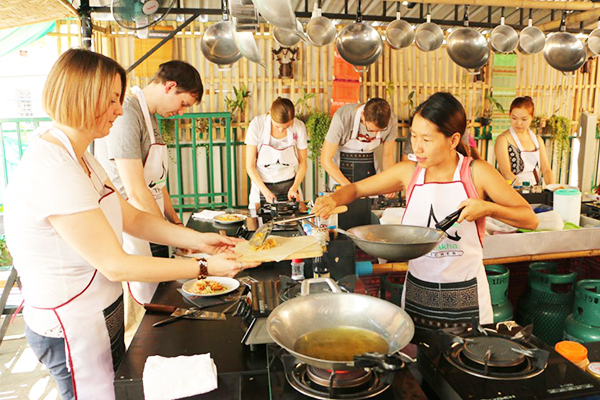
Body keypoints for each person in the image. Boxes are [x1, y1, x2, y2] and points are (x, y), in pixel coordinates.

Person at [4, 48, 259, 400]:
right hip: (70, 324)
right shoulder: (53, 169)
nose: (119, 110)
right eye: (111, 99)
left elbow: (133, 217)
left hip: (98, 314)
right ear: (81, 95)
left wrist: (200, 240)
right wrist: (203, 267)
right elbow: (115, 264)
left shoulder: (85, 160)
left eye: (120, 99)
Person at [314, 92, 538, 329]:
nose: (416, 147)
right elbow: (356, 189)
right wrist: (333, 197)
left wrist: (487, 208)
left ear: (452, 140)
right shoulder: (409, 173)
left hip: (466, 298)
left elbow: (530, 219)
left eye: (427, 140)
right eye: (413, 136)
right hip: (418, 294)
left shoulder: (476, 172)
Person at [94, 60, 202, 338]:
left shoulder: (151, 117)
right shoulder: (129, 113)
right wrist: (173, 237)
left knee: (155, 295)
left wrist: (176, 222)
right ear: (170, 86)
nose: (180, 112)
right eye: (183, 103)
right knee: (139, 309)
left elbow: (157, 181)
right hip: (128, 222)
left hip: (147, 220)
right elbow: (136, 188)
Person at [320, 98, 397, 195]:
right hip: (341, 170)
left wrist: (389, 183)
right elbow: (325, 160)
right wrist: (349, 187)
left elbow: (388, 156)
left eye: (380, 130)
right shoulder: (342, 117)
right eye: (371, 130)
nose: (375, 134)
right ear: (363, 115)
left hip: (369, 167)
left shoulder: (391, 120)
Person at [245, 97, 308, 208]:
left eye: (286, 127)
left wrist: (294, 187)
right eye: (277, 126)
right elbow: (250, 166)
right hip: (262, 187)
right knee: (259, 223)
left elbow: (303, 164)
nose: (281, 130)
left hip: (290, 186)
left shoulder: (299, 127)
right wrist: (265, 191)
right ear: (270, 113)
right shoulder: (257, 125)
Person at [494, 96, 554, 186]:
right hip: (511, 190)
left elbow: (546, 169)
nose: (518, 123)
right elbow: (506, 171)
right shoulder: (503, 139)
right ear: (509, 115)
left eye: (524, 119)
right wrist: (522, 190)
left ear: (532, 117)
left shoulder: (538, 140)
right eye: (514, 118)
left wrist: (553, 189)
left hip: (534, 188)